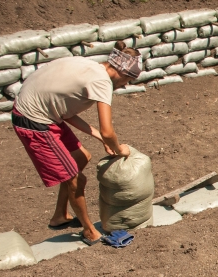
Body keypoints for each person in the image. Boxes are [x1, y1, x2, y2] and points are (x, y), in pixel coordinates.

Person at [12, 41, 141, 244]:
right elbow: (108, 130)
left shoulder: (90, 66)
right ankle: (89, 231)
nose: (125, 85)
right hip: (34, 121)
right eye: (128, 80)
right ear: (121, 72)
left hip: (45, 113)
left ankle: (60, 216)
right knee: (76, 179)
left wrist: (100, 139)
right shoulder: (102, 82)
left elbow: (66, 112)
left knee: (81, 157)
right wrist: (118, 148)